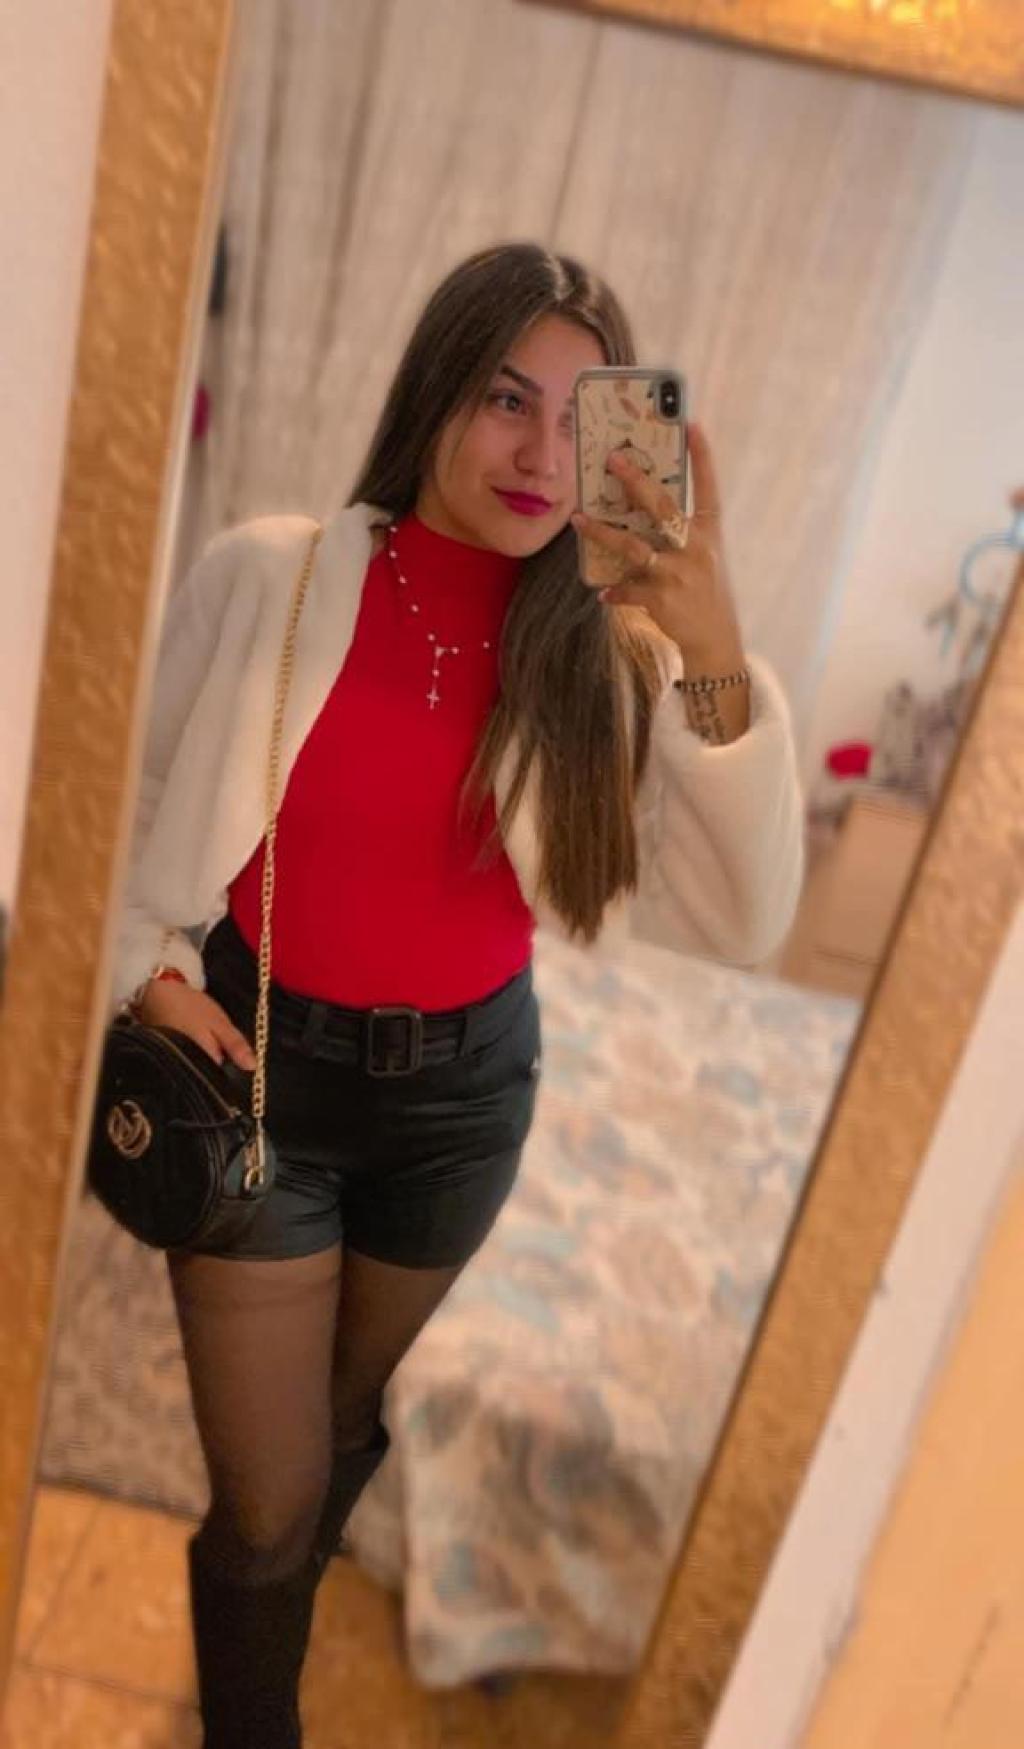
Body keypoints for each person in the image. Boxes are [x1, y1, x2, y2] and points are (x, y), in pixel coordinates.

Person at [111, 242, 804, 1748]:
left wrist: (713, 639)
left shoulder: (607, 661)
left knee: (343, 1427)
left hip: (462, 1104)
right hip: (261, 1070)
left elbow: (746, 922)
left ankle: (273, 1647)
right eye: (504, 398)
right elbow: (133, 792)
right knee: (267, 1497)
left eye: (578, 417)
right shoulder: (272, 574)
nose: (541, 452)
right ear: (434, 391)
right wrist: (148, 970)